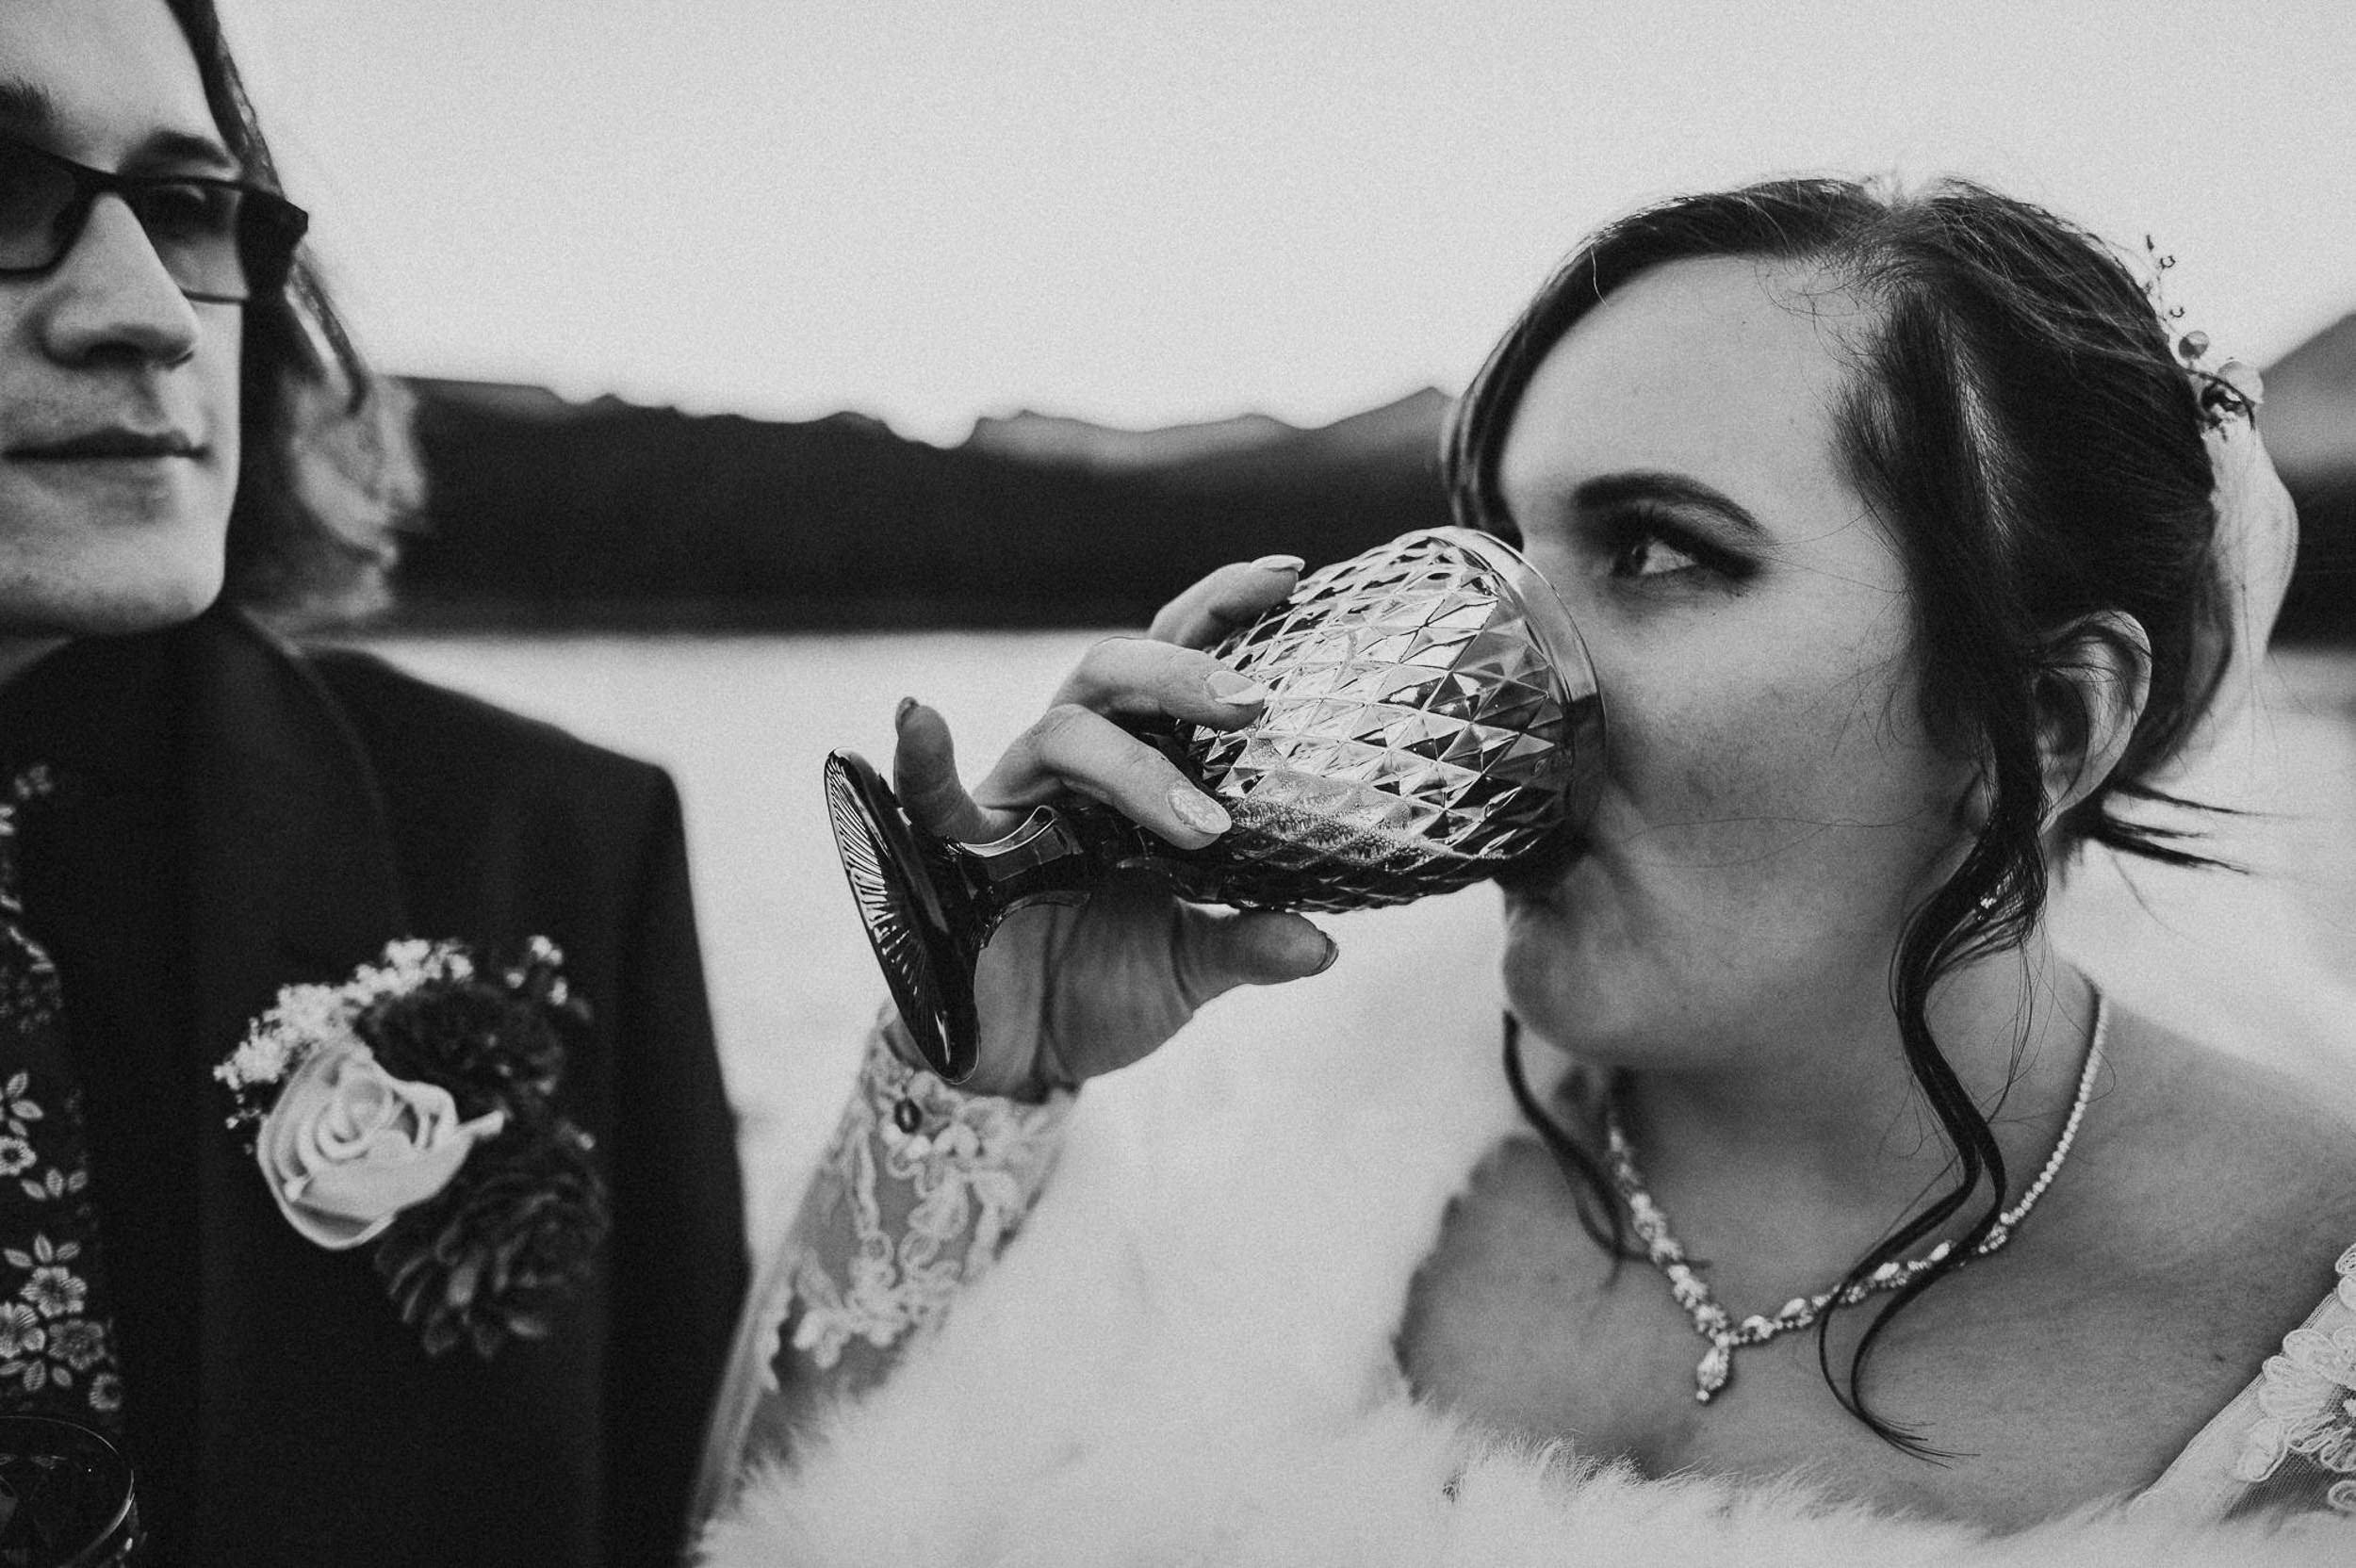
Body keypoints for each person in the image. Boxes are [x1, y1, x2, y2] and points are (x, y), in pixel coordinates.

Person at [695, 176, 2354, 1562]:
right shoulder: (1260, 1135)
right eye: (1486, 545)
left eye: (1657, 551)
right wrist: (985, 1079)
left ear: (2042, 728)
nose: (1463, 669)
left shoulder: (2312, 1325)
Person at [0, 2, 744, 1562]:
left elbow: (729, 1510)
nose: (147, 312)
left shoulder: (548, 848)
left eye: (192, 205)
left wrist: (963, 1078)